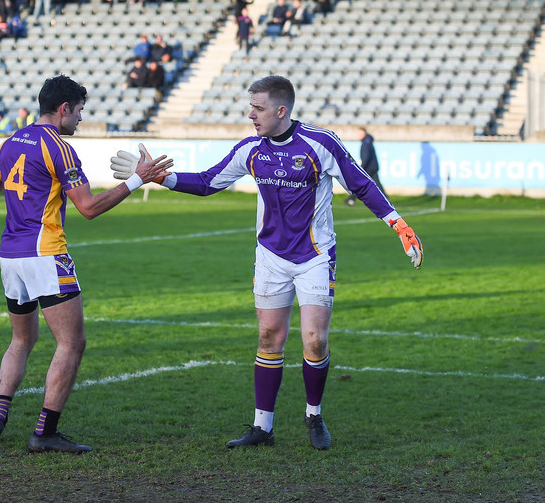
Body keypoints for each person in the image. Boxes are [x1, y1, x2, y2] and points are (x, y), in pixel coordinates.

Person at [110, 75, 423, 451]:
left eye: (258, 108)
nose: (250, 115)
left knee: (315, 340)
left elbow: (362, 184)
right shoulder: (251, 149)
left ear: (281, 110)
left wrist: (398, 224)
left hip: (315, 256)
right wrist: (158, 177)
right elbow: (209, 182)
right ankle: (263, 427)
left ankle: (313, 414)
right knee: (268, 337)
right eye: (250, 107)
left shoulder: (320, 144)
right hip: (271, 257)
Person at [0, 75, 172, 453]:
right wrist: (137, 180)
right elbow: (88, 208)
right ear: (63, 108)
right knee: (71, 342)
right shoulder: (58, 147)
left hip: (12, 257)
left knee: (21, 339)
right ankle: (44, 433)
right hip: (47, 254)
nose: (80, 119)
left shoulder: (11, 142)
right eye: (79, 111)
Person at [345, 127, 385, 206]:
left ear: (363, 133)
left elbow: (366, 157)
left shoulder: (365, 143)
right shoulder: (368, 141)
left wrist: (361, 167)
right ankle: (385, 199)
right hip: (372, 167)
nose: (357, 135)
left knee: (360, 183)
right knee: (377, 184)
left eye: (359, 133)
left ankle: (351, 199)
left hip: (368, 167)